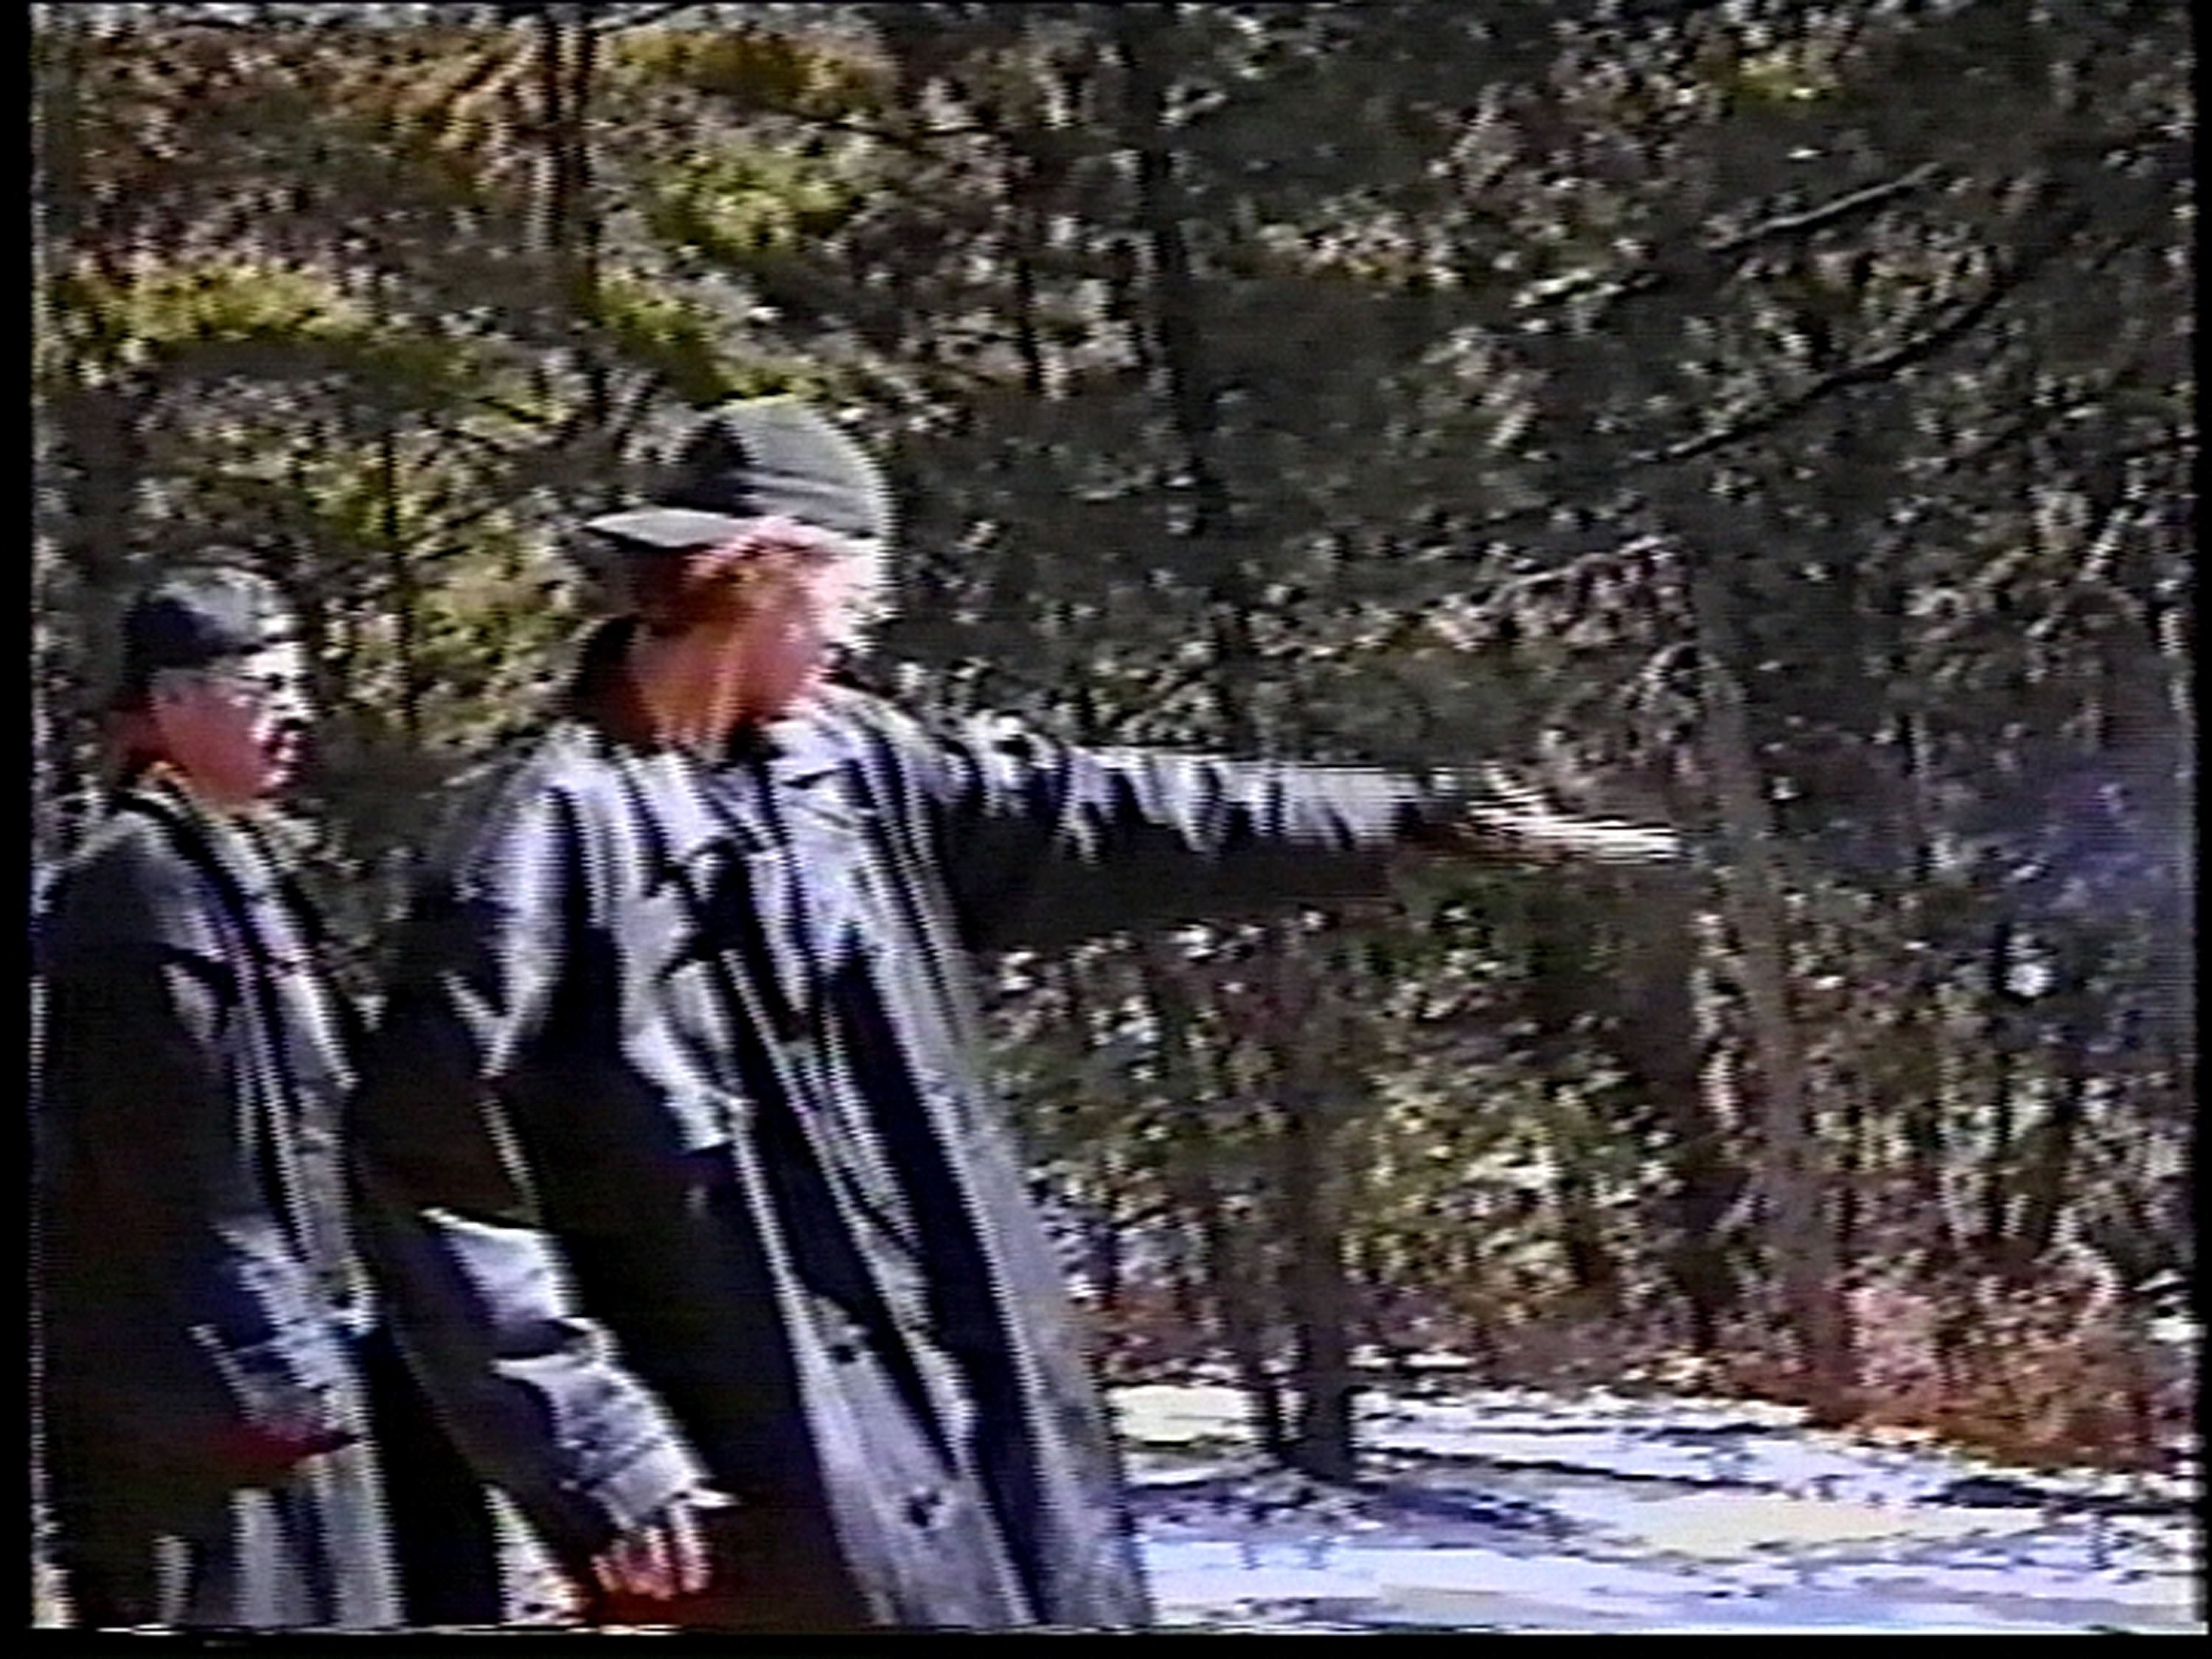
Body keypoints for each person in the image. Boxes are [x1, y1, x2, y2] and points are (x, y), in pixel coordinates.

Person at [348, 400, 1679, 1631]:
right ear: (762, 573)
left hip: (980, 1417)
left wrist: (1399, 819)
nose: (863, 634)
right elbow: (431, 1174)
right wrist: (596, 1449)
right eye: (848, 598)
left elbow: (1115, 813)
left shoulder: (856, 769)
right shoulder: (543, 837)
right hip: (760, 1460)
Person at [33, 563, 501, 1630]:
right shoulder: (135, 886)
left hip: (304, 1371)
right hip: (204, 1405)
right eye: (262, 688)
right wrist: (283, 1365)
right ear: (168, 706)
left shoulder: (247, 872)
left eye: (297, 686)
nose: (295, 716)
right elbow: (176, 1172)